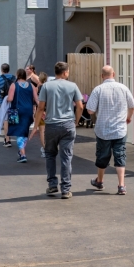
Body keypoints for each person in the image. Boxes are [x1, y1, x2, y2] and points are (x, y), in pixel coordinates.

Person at [86, 65, 134, 195]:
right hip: (120, 128)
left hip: (103, 129)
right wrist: (128, 117)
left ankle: (100, 181)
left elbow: (90, 109)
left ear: (102, 76)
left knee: (102, 155)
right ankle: (121, 185)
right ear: (113, 74)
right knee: (120, 155)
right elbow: (132, 105)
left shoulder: (98, 90)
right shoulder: (123, 88)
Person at [37, 61, 84, 199]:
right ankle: (66, 189)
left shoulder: (46, 86)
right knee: (66, 157)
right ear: (65, 73)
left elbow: (41, 107)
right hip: (68, 124)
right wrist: (76, 121)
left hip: (51, 124)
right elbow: (80, 106)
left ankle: (52, 184)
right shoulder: (72, 86)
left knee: (50, 154)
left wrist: (36, 124)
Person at [6, 69, 36, 164]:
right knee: (25, 131)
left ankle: (23, 154)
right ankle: (21, 150)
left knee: (19, 132)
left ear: (18, 75)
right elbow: (36, 99)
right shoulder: (31, 85)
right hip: (29, 111)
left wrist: (6, 100)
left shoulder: (14, 85)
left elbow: (10, 98)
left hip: (18, 111)